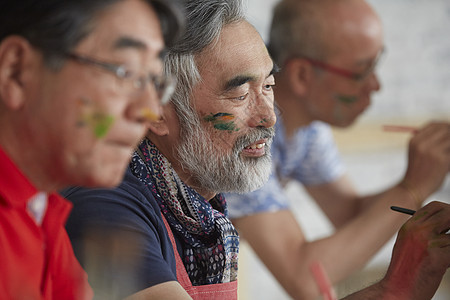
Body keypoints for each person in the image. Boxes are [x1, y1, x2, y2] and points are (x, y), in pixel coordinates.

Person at [63, 0, 450, 299]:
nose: (269, 116)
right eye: (239, 92)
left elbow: (349, 214)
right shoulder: (104, 206)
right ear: (158, 112)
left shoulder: (200, 200)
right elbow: (303, 276)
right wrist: (395, 287)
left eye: (267, 86)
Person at [225, 0, 450, 298]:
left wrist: (421, 174)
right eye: (360, 72)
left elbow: (350, 214)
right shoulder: (243, 129)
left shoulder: (305, 127)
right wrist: (414, 186)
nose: (376, 85)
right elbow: (302, 275)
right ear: (302, 75)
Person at [0, 0, 183, 298]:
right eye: (125, 72)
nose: (149, 110)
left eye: (154, 82)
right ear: (17, 71)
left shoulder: (41, 211)